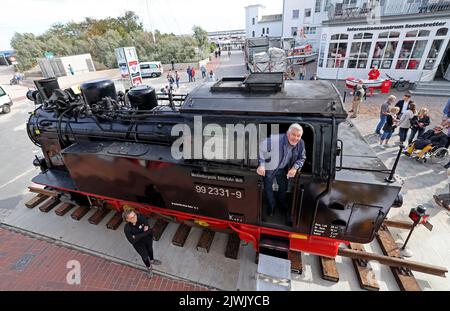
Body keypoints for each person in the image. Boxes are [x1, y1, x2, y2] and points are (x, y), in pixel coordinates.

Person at [257, 124, 306, 222]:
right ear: (288, 134)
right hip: (269, 168)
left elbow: (302, 157)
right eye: (293, 134)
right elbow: (261, 148)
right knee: (268, 188)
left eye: (298, 136)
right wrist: (261, 164)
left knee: (283, 187)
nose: (296, 138)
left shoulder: (300, 143)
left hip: (283, 169)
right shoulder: (275, 139)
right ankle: (272, 206)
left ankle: (281, 202)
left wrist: (295, 168)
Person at [123, 210, 161, 277]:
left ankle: (152, 260)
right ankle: (149, 268)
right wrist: (143, 232)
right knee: (145, 256)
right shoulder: (127, 228)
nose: (135, 218)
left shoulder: (140, 218)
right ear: (127, 220)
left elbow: (149, 230)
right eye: (132, 218)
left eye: (134, 215)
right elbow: (131, 240)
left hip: (147, 238)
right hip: (138, 244)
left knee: (150, 250)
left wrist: (136, 236)